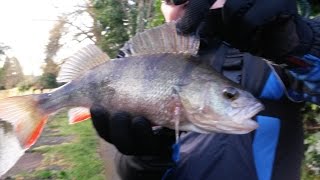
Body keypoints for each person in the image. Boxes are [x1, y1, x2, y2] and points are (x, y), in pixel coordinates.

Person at [90, 0, 320, 179]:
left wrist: (303, 42)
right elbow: (125, 172)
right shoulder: (143, 61)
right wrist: (143, 160)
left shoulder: (274, 52)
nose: (186, 4)